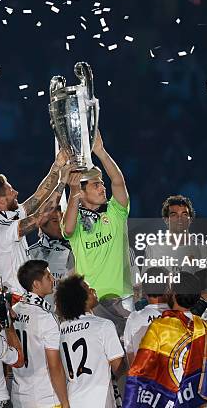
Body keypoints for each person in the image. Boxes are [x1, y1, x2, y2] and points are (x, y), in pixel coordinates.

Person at [62, 130, 133, 334]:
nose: (103, 188)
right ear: (81, 192)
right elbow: (67, 229)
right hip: (91, 303)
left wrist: (101, 152)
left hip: (123, 300)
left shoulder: (115, 212)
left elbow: (118, 182)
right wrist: (73, 192)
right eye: (96, 185)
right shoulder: (74, 219)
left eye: (102, 183)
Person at [124, 272, 207, 408]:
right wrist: (189, 388)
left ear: (174, 295)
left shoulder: (159, 327)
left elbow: (140, 371)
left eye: (169, 289)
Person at [0, 151, 69, 295]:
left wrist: (57, 166)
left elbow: (39, 196)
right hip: (14, 300)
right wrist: (62, 183)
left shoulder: (11, 214)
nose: (16, 193)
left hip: (23, 297)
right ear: (1, 201)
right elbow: (41, 217)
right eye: (11, 191)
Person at [55, 274, 124, 408]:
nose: (93, 290)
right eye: (88, 288)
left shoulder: (59, 329)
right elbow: (118, 368)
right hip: (99, 401)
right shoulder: (103, 325)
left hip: (72, 400)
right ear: (80, 298)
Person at [12, 260, 69, 408]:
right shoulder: (45, 317)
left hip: (19, 397)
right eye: (48, 277)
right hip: (45, 399)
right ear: (36, 284)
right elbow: (54, 366)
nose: (53, 279)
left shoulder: (13, 311)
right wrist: (65, 402)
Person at [27, 206, 75, 308]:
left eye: (63, 220)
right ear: (42, 224)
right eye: (55, 221)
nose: (61, 224)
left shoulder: (77, 248)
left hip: (71, 315)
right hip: (42, 316)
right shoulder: (30, 253)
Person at [124, 267, 169, 367]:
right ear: (168, 288)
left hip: (143, 380)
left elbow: (130, 354)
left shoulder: (134, 318)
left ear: (144, 291)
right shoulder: (178, 316)